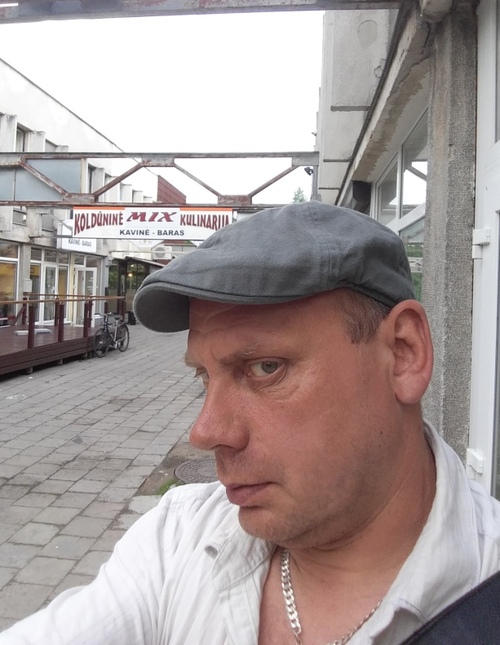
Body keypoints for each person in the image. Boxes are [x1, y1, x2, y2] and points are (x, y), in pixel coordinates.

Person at [2, 201, 500, 644]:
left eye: (266, 368)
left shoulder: (484, 586)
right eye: (204, 376)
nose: (205, 432)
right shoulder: (178, 541)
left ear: (403, 354)